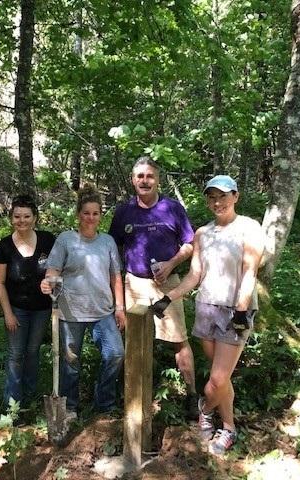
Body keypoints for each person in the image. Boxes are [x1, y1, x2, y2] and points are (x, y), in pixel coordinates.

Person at [152, 175, 264, 455]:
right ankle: (228, 426)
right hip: (206, 308)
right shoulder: (203, 233)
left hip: (235, 311)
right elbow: (194, 276)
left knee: (216, 381)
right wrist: (169, 297)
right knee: (221, 379)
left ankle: (205, 409)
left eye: (223, 196)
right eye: (212, 197)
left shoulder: (249, 228)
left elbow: (249, 272)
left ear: (235, 196)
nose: (217, 202)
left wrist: (241, 311)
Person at [109, 155, 198, 416]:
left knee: (179, 340)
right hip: (133, 284)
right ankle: (132, 396)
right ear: (132, 180)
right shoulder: (124, 211)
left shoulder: (172, 209)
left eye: (150, 176)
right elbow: (113, 246)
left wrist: (171, 264)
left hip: (167, 285)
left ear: (158, 179)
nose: (144, 181)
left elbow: (190, 244)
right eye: (140, 176)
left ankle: (192, 394)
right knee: (132, 340)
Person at [40, 185, 126, 416]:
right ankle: (70, 408)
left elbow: (115, 276)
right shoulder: (66, 240)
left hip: (103, 311)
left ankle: (103, 403)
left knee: (116, 354)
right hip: (71, 313)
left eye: (95, 213)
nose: (90, 217)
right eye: (86, 213)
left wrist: (120, 307)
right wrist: (49, 283)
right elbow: (53, 272)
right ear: (78, 214)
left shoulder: (107, 242)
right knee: (70, 362)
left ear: (100, 215)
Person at [0, 195, 55, 410]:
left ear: (35, 218)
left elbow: (57, 269)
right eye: (17, 216)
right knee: (15, 354)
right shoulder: (3, 246)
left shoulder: (48, 240)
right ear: (11, 218)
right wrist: (8, 314)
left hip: (42, 309)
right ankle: (13, 404)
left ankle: (30, 397)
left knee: (32, 351)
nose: (22, 221)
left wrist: (51, 282)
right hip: (17, 309)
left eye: (27, 216)